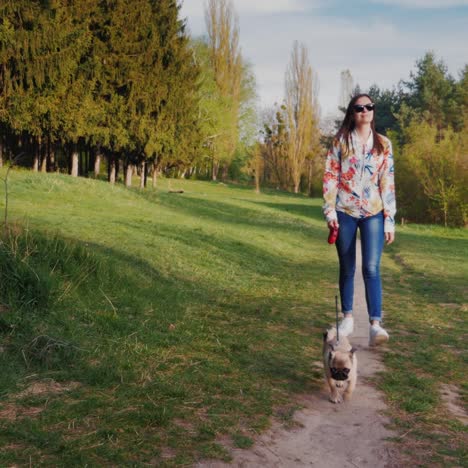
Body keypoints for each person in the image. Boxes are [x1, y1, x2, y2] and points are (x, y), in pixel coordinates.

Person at [323, 94, 396, 346]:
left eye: (369, 107)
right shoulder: (340, 141)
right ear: (352, 112)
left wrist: (389, 219)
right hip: (344, 210)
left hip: (374, 213)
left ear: (373, 111)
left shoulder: (383, 144)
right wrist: (330, 211)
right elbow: (331, 176)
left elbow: (387, 182)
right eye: (359, 107)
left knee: (372, 268)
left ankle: (375, 325)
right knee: (347, 266)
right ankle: (348, 319)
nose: (364, 110)